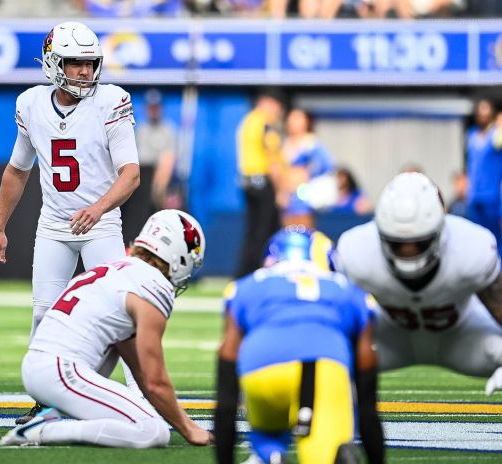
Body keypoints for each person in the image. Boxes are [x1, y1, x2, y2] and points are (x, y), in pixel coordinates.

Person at [0, 21, 141, 424]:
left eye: (90, 64)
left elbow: (131, 173)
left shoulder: (112, 101)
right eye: (75, 65)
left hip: (100, 226)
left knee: (119, 313)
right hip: (54, 224)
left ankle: (141, 398)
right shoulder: (31, 104)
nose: (85, 72)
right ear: (55, 64)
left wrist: (99, 208)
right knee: (43, 314)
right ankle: (45, 399)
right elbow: (17, 170)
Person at [0, 209, 210, 449]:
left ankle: (46, 422)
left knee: (140, 421)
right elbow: (155, 381)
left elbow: (139, 370)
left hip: (39, 366)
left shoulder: (118, 270)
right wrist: (190, 429)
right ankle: (45, 430)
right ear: (177, 253)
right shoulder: (152, 284)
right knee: (153, 432)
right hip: (62, 370)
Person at [214, 226, 383, 464]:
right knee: (325, 454)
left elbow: (226, 391)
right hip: (319, 366)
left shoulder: (246, 287)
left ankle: (269, 456)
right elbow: (366, 403)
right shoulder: (350, 293)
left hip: (259, 373)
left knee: (267, 437)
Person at [335, 172, 502, 396]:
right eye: (398, 244)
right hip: (391, 340)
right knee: (328, 352)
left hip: (463, 337)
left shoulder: (471, 247)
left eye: (419, 243)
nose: (408, 252)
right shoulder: (356, 251)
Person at [235, 89, 285, 278]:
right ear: (267, 102)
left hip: (248, 182)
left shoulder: (248, 121)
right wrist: (280, 191)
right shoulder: (265, 123)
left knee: (252, 231)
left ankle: (243, 273)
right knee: (265, 232)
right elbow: (273, 161)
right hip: (263, 183)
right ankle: (257, 272)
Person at [125, 88, 177, 242]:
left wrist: (160, 187)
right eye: (151, 107)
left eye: (156, 107)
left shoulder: (168, 130)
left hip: (161, 176)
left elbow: (169, 159)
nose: (154, 111)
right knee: (135, 213)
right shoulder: (141, 129)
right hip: (141, 176)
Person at [280, 108, 335, 229]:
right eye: (292, 118)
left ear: (306, 122)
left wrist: (307, 174)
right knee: (287, 230)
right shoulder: (285, 143)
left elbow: (327, 164)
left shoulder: (310, 143)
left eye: (298, 118)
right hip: (287, 197)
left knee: (304, 229)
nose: (293, 122)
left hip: (303, 195)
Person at [465, 102, 502, 253]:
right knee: (478, 235)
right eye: (480, 113)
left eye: (487, 113)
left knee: (494, 236)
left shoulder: (495, 135)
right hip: (474, 195)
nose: (483, 117)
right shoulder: (472, 135)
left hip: (491, 196)